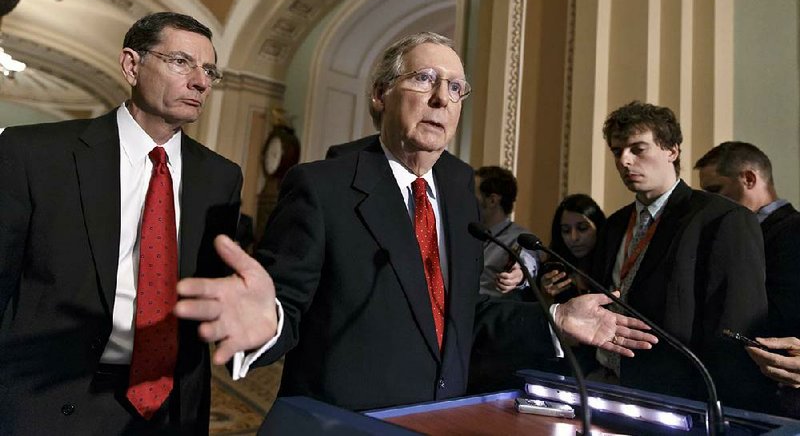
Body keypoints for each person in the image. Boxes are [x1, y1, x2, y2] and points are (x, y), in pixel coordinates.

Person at [175, 32, 657, 412]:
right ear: (382, 94)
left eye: (455, 88)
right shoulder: (322, 186)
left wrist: (555, 319)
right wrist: (270, 321)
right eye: (424, 79)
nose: (441, 99)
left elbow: (459, 317)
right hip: (346, 423)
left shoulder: (457, 185)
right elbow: (286, 306)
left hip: (441, 418)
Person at [0, 12, 244, 434]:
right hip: (46, 399)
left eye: (209, 70)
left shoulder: (222, 177)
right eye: (181, 62)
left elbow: (209, 293)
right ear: (132, 65)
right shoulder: (35, 155)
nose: (201, 82)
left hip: (170, 408)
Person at [588, 101, 771, 411]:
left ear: (672, 150)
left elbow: (737, 328)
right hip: (602, 383)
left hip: (678, 397)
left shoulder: (722, 218)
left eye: (638, 149)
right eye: (617, 152)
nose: (625, 161)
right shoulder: (615, 224)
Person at [694, 141, 800, 337]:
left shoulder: (793, 231)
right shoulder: (721, 231)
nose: (709, 201)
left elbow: (786, 310)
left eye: (715, 190)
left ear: (749, 179)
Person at [474, 165, 538, 299]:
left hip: (489, 313)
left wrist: (520, 274)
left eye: (472, 195)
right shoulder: (470, 231)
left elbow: (528, 262)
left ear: (492, 200)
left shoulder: (519, 237)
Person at [540, 194, 606, 303]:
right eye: (566, 230)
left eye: (582, 228)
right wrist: (545, 298)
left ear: (598, 228)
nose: (574, 238)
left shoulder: (612, 268)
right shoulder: (552, 273)